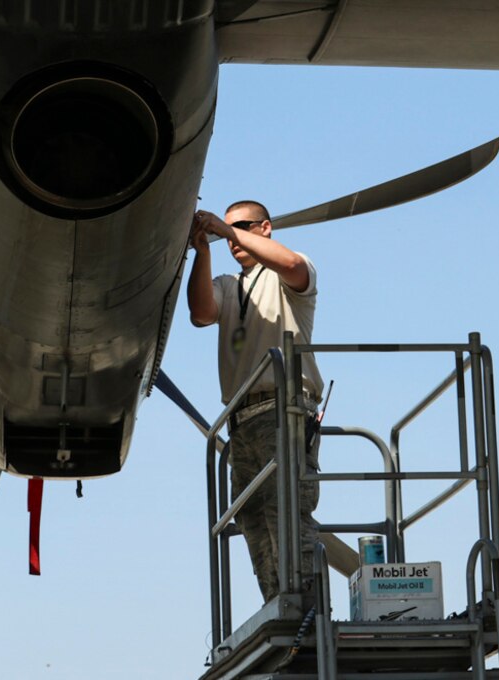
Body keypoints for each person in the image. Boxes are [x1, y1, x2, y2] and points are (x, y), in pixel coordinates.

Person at [187, 201, 324, 604]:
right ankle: (277, 602)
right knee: (252, 518)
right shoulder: (230, 285)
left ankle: (306, 606)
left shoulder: (287, 273)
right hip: (242, 420)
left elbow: (292, 266)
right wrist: (203, 250)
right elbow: (201, 313)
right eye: (228, 230)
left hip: (283, 409)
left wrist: (225, 230)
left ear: (265, 228)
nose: (232, 237)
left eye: (243, 226)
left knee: (287, 509)